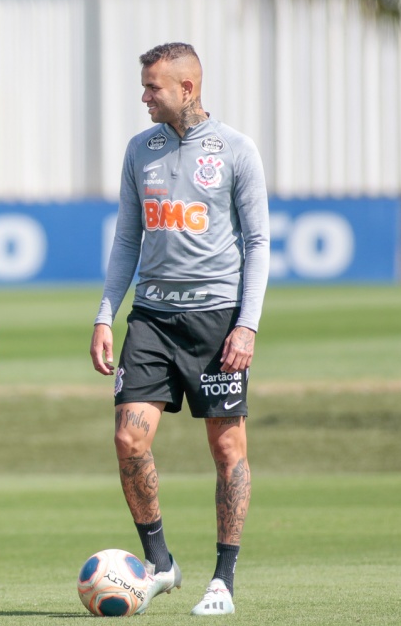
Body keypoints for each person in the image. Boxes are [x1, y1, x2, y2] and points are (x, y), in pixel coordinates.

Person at [90, 42, 270, 617]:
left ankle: (223, 577)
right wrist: (104, 314)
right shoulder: (139, 150)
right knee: (127, 439)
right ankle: (161, 562)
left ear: (186, 88)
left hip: (216, 323)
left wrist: (246, 326)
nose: (144, 97)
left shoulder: (237, 151)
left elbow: (259, 243)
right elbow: (126, 239)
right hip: (151, 319)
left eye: (153, 88)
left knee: (226, 449)